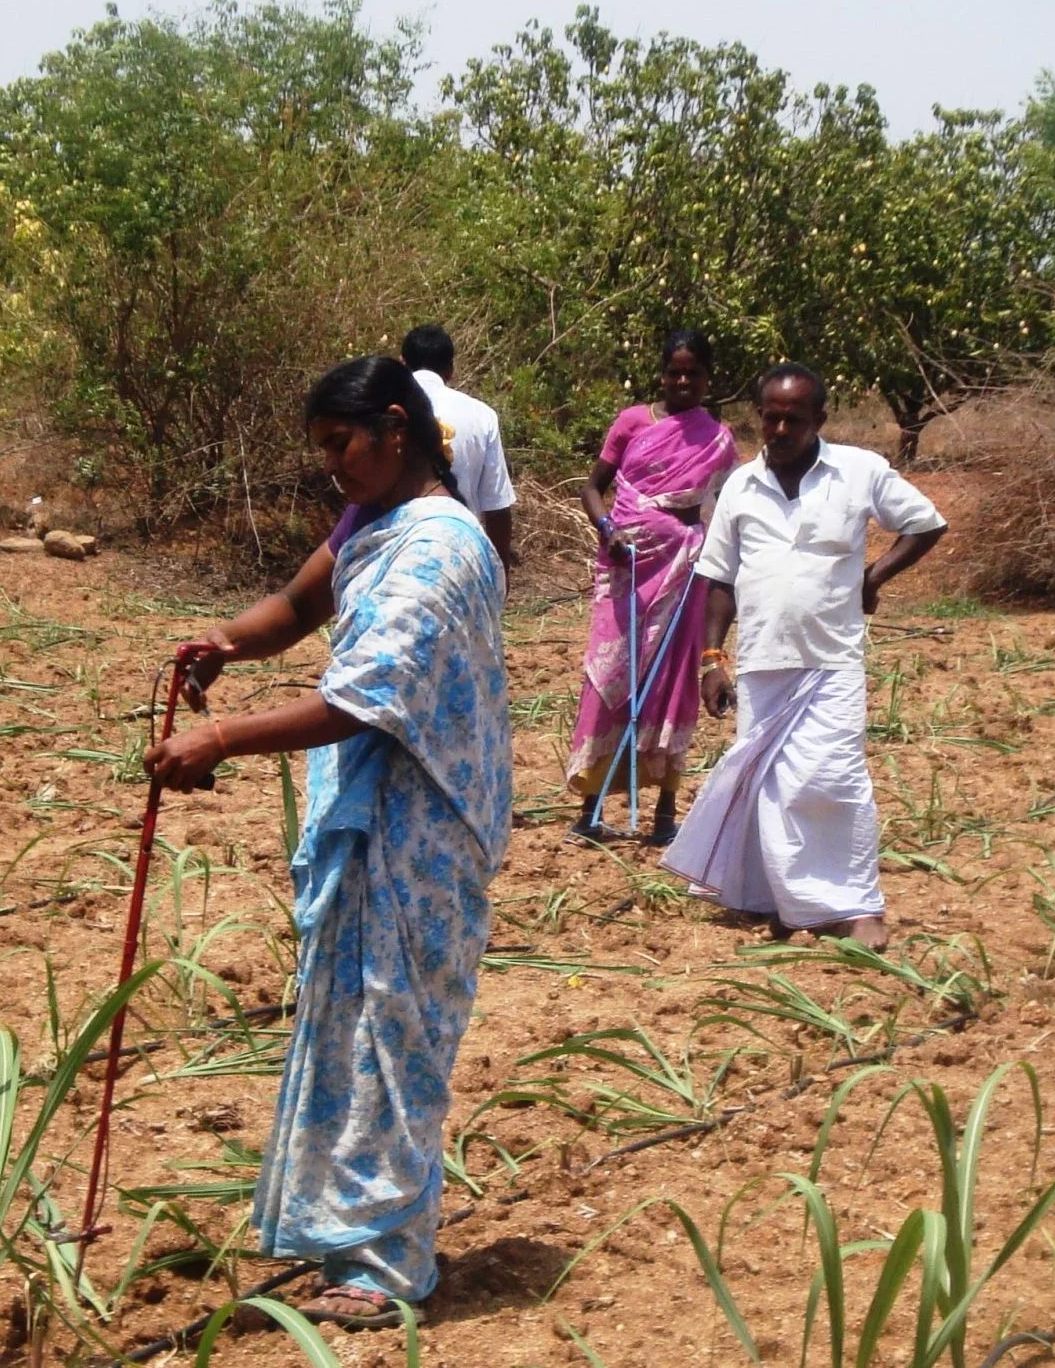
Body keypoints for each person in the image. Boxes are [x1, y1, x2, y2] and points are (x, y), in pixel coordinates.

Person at [144, 356, 512, 1327]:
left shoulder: (440, 547)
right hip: (372, 811)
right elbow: (304, 605)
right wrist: (223, 642)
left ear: (396, 428)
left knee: (394, 1029)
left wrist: (219, 737)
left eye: (338, 443)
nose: (330, 466)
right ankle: (351, 1232)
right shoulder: (370, 521)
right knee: (353, 1021)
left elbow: (361, 697)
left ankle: (390, 1261)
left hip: (419, 828)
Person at [662, 362, 945, 950]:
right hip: (764, 664)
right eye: (771, 417)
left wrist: (874, 576)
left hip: (832, 660)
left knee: (833, 781)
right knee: (769, 786)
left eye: (795, 418)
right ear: (758, 418)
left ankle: (856, 906)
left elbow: (925, 523)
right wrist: (713, 658)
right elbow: (718, 579)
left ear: (820, 419)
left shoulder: (859, 472)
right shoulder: (740, 486)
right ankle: (787, 904)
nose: (781, 428)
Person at [565, 329, 737, 845]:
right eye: (674, 371)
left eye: (694, 373)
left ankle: (664, 812)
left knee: (672, 681)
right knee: (611, 674)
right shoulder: (633, 421)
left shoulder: (719, 439)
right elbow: (593, 487)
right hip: (626, 570)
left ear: (707, 378)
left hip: (684, 571)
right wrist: (608, 530)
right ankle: (591, 810)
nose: (683, 381)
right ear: (661, 373)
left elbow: (723, 510)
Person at [401, 323, 517, 567]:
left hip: (396, 556)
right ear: (451, 369)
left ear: (402, 363)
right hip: (459, 558)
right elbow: (497, 508)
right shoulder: (482, 415)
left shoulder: (382, 410)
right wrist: (500, 573)